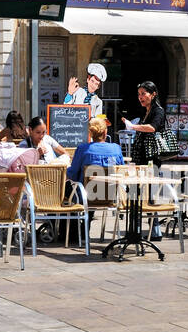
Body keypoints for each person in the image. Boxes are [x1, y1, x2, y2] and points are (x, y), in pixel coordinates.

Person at [124, 82, 169, 239]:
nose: (141, 97)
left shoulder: (158, 111)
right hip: (138, 158)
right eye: (139, 94)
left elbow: (152, 128)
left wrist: (133, 127)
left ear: (153, 94)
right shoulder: (146, 111)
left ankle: (154, 230)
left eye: (144, 94)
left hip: (151, 159)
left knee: (150, 193)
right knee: (134, 191)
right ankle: (134, 228)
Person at [67, 115, 124, 185]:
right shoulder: (116, 149)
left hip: (86, 193)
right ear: (105, 132)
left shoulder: (82, 149)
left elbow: (73, 175)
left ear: (90, 134)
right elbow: (122, 172)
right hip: (112, 193)